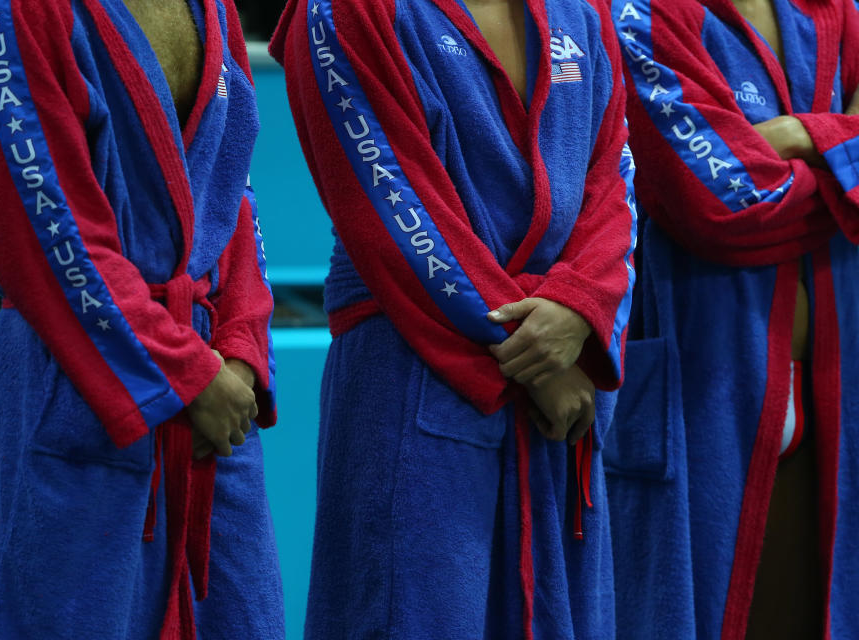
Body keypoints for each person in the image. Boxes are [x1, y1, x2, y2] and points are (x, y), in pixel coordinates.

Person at [0, 0, 284, 638]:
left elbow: (233, 196)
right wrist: (185, 374)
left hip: (217, 400)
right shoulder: (16, 12)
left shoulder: (214, 7)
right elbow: (40, 223)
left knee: (236, 614)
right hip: (82, 377)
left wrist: (242, 346)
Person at [270, 0, 637, 637]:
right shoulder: (342, 11)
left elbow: (612, 173)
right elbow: (388, 202)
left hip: (564, 371)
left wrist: (582, 306)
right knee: (407, 615)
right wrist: (535, 352)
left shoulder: (582, 9)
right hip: (418, 368)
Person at [605, 0, 859, 637]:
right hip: (702, 387)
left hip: (837, 394)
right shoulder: (639, 14)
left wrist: (798, 138)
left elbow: (749, 175)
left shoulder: (835, 13)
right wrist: (845, 159)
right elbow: (721, 208)